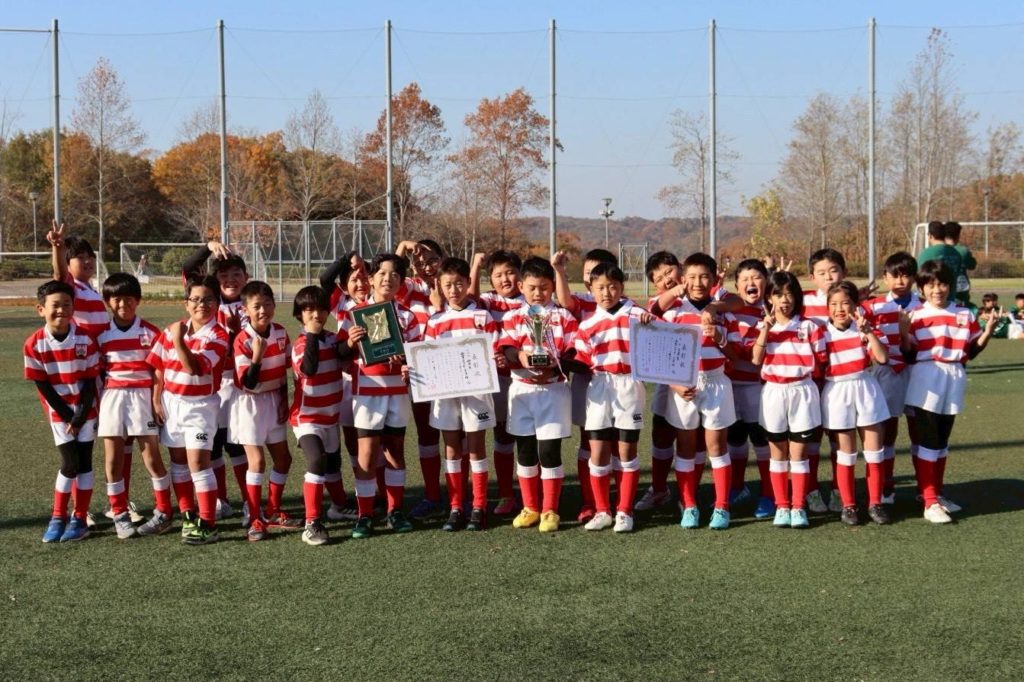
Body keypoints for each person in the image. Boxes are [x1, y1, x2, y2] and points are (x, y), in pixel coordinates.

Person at [901, 260, 998, 523]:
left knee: (942, 442)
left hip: (954, 376)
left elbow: (971, 351)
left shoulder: (964, 314)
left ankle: (936, 494)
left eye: (942, 284)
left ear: (950, 286)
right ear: (921, 288)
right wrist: (903, 333)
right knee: (928, 440)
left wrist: (988, 331)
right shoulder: (915, 315)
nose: (937, 290)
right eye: (930, 285)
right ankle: (929, 501)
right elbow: (908, 354)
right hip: (926, 376)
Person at [340, 253, 421, 538]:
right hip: (367, 392)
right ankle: (364, 514)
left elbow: (417, 355)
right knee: (367, 454)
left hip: (397, 392)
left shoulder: (408, 316)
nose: (388, 279)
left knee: (395, 451)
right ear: (371, 279)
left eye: (395, 275)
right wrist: (350, 343)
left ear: (402, 282)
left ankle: (394, 510)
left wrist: (407, 361)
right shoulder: (353, 313)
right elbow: (340, 354)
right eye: (382, 274)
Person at [498, 256, 582, 533]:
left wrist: (555, 368)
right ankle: (530, 507)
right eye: (532, 287)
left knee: (549, 451)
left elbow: (573, 351)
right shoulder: (512, 316)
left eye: (544, 287)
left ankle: (550, 509)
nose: (538, 293)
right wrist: (521, 357)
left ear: (552, 287)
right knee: (524, 450)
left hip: (553, 390)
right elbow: (507, 347)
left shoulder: (564, 317)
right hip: (522, 390)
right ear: (521, 286)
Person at [147, 275, 231, 545]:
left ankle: (208, 524)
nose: (201, 304)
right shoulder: (172, 330)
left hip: (201, 407)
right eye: (195, 299)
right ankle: (188, 515)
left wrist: (178, 340)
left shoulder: (218, 335)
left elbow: (194, 368)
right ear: (186, 303)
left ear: (217, 303)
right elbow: (158, 367)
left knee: (199, 463)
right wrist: (156, 399)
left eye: (208, 299)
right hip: (172, 404)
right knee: (179, 462)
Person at [424, 257, 503, 531]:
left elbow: (494, 350)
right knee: (451, 448)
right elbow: (428, 357)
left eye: (459, 283)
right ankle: (456, 506)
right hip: (446, 395)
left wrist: (496, 359)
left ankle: (479, 506)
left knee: (476, 447)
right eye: (447, 285)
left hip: (476, 393)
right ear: (439, 286)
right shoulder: (436, 320)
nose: (454, 289)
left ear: (468, 282)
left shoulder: (482, 317)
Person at [573, 263, 653, 533]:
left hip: (629, 384)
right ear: (591, 289)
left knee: (626, 450)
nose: (606, 292)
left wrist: (650, 324)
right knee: (598, 451)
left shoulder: (636, 313)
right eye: (600, 288)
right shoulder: (587, 324)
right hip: (599, 386)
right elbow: (582, 360)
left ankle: (625, 511)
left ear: (621, 287)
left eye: (612, 287)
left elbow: (659, 336)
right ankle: (602, 510)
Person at [660, 253, 736, 530]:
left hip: (716, 382)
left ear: (714, 279)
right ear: (683, 279)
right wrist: (675, 385)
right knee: (686, 448)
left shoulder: (723, 313)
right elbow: (661, 356)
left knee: (717, 447)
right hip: (684, 386)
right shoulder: (673, 313)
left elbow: (735, 355)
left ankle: (722, 506)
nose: (698, 282)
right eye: (692, 277)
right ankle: (689, 505)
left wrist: (719, 337)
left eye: (704, 276)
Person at [95, 273, 172, 538]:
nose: (123, 304)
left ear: (137, 300)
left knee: (152, 458)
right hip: (113, 398)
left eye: (128, 299)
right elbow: (97, 372)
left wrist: (156, 399)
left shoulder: (150, 332)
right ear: (108, 301)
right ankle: (119, 514)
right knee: (113, 459)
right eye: (116, 299)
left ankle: (164, 511)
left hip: (142, 398)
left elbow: (159, 370)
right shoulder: (101, 335)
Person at [25, 280, 100, 543]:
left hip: (85, 411)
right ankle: (58, 517)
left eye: (67, 304)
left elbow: (90, 380)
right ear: (41, 309)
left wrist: (80, 415)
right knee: (69, 463)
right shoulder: (34, 344)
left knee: (85, 462)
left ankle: (79, 519)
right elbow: (43, 386)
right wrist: (69, 416)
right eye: (55, 305)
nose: (61, 310)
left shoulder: (85, 338)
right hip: (60, 414)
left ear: (73, 307)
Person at [751, 271, 825, 529]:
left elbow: (822, 360)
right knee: (777, 453)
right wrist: (766, 330)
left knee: (799, 454)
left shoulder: (809, 326)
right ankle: (782, 506)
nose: (784, 300)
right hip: (774, 392)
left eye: (789, 293)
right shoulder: (763, 327)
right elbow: (755, 359)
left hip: (802, 390)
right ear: (769, 298)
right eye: (778, 294)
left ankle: (798, 506)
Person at [182, 239, 250, 521]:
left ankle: (249, 501)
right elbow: (189, 268)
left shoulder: (252, 304)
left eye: (236, 274)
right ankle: (221, 499)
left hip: (244, 385)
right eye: (224, 275)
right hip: (214, 384)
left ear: (246, 277)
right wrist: (207, 247)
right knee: (215, 444)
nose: (230, 280)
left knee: (239, 444)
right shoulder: (211, 302)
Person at [553, 248, 618, 525]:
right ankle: (590, 500)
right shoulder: (583, 301)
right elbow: (564, 300)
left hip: (619, 383)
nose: (595, 278)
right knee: (588, 440)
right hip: (587, 380)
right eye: (589, 273)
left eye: (600, 271)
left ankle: (618, 500)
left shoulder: (624, 304)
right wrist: (558, 270)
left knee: (619, 441)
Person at [232, 281, 299, 541]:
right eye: (257, 306)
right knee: (257, 462)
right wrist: (257, 357)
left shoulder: (280, 332)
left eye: (268, 304)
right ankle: (254, 518)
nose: (263, 311)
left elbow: (289, 368)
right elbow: (247, 383)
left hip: (274, 401)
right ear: (245, 309)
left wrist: (284, 400)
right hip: (250, 405)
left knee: (284, 459)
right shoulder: (242, 340)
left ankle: (272, 510)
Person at [819, 281, 891, 525]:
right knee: (845, 454)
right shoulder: (821, 332)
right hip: (837, 391)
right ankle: (848, 505)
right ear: (827, 307)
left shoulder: (864, 329)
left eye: (845, 303)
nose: (839, 309)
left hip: (865, 388)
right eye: (834, 304)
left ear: (855, 305)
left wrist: (869, 332)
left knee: (874, 452)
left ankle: (875, 503)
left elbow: (882, 358)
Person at [861, 252, 922, 504]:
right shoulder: (873, 305)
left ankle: (924, 487)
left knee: (919, 430)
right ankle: (886, 484)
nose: (900, 281)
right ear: (885, 278)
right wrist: (858, 298)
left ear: (914, 278)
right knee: (887, 430)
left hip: (917, 372)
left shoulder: (923, 306)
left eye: (906, 275)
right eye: (894, 275)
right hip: (887, 372)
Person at [290, 286, 347, 546]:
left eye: (322, 309)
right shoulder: (301, 344)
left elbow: (345, 353)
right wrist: (312, 334)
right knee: (317, 460)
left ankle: (339, 506)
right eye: (309, 309)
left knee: (333, 463)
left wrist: (351, 341)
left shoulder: (333, 338)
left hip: (330, 416)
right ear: (299, 314)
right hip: (307, 418)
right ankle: (311, 523)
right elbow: (309, 369)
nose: (316, 314)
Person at [472, 249, 525, 516]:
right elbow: (470, 299)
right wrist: (475, 266)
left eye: (510, 273)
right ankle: (506, 494)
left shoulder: (531, 299)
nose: (505, 279)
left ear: (520, 275)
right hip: (499, 379)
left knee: (529, 438)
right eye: (498, 275)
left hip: (527, 378)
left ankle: (534, 495)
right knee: (502, 434)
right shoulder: (488, 300)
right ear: (490, 279)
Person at [396, 240, 445, 521]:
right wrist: (403, 246)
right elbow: (391, 272)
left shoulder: (453, 284)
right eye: (420, 262)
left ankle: (460, 497)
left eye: (432, 259)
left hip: (451, 370)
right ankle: (432, 495)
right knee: (427, 436)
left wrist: (440, 304)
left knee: (457, 437)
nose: (426, 266)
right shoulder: (409, 287)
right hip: (421, 371)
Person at [723, 258, 775, 519]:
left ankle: (769, 494)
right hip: (732, 385)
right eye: (744, 279)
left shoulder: (773, 310)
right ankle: (737, 487)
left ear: (766, 281)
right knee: (735, 438)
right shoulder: (729, 311)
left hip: (759, 386)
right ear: (736, 286)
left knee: (761, 440)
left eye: (756, 277)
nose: (751, 283)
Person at [802, 248, 853, 515]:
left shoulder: (851, 303)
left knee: (838, 438)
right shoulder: (804, 302)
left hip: (840, 383)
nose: (828, 277)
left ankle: (838, 491)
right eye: (821, 273)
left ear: (843, 272)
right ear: (812, 277)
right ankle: (810, 491)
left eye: (833, 271)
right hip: (812, 382)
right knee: (810, 439)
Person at [634, 251, 683, 512]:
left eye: (669, 272)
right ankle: (659, 487)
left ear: (680, 267)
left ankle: (689, 494)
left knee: (694, 438)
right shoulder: (659, 301)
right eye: (660, 278)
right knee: (662, 432)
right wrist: (677, 291)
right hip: (669, 378)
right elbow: (655, 308)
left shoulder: (703, 294)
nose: (667, 279)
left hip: (703, 378)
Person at [916, 221, 962, 287]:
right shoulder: (956, 253)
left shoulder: (925, 254)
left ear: (930, 236)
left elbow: (920, 276)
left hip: (932, 292)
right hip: (952, 292)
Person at [944, 221, 976, 305]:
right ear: (958, 235)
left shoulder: (940, 250)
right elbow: (972, 265)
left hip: (945, 287)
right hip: (961, 287)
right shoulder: (963, 251)